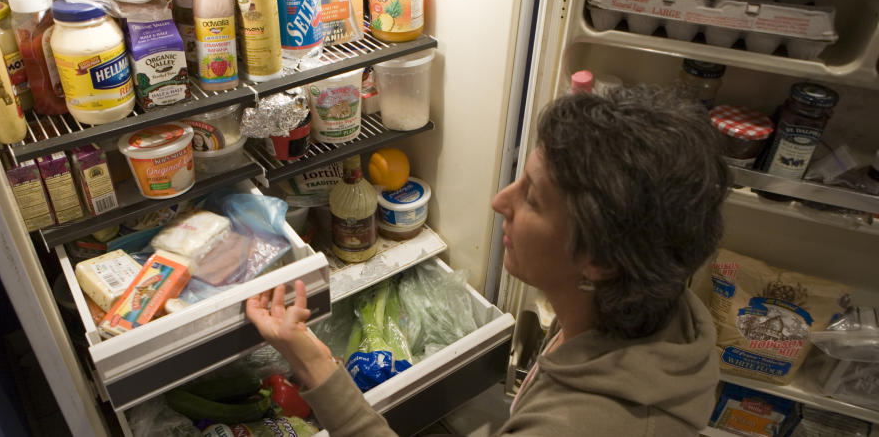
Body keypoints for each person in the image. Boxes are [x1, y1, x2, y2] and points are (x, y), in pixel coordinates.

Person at [246, 87, 729, 436]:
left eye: (534, 199)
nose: (500, 201)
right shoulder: (659, 312)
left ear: (599, 259)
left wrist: (313, 363)